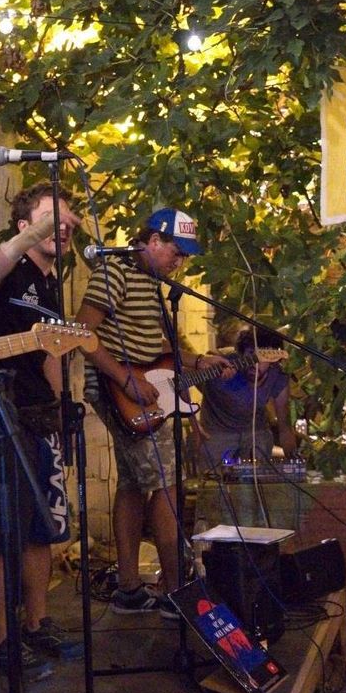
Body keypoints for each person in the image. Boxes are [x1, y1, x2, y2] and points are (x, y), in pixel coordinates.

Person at [76, 208, 233, 617]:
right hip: (119, 390)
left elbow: (159, 350)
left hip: (144, 388)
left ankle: (129, 588)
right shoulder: (115, 273)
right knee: (167, 483)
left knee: (132, 484)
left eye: (184, 256)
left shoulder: (153, 285)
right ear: (153, 240)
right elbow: (80, 330)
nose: (179, 262)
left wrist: (199, 361)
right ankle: (176, 590)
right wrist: (124, 378)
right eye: (176, 252)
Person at [0, 183, 83, 680]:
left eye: (68, 220)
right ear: (22, 225)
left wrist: (60, 410)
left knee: (40, 527)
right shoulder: (7, 269)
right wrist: (30, 235)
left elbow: (50, 355)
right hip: (0, 415)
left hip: (37, 416)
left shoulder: (51, 282)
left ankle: (37, 623)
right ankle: (3, 642)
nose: (62, 226)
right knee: (0, 532)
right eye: (51, 218)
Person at [196, 328, 295, 470]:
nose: (254, 363)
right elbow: (182, 377)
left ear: (273, 360)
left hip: (255, 433)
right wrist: (194, 424)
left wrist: (294, 463)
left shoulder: (278, 376)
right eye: (250, 354)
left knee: (256, 480)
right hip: (218, 432)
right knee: (215, 484)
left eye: (262, 357)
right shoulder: (222, 366)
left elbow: (285, 426)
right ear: (241, 354)